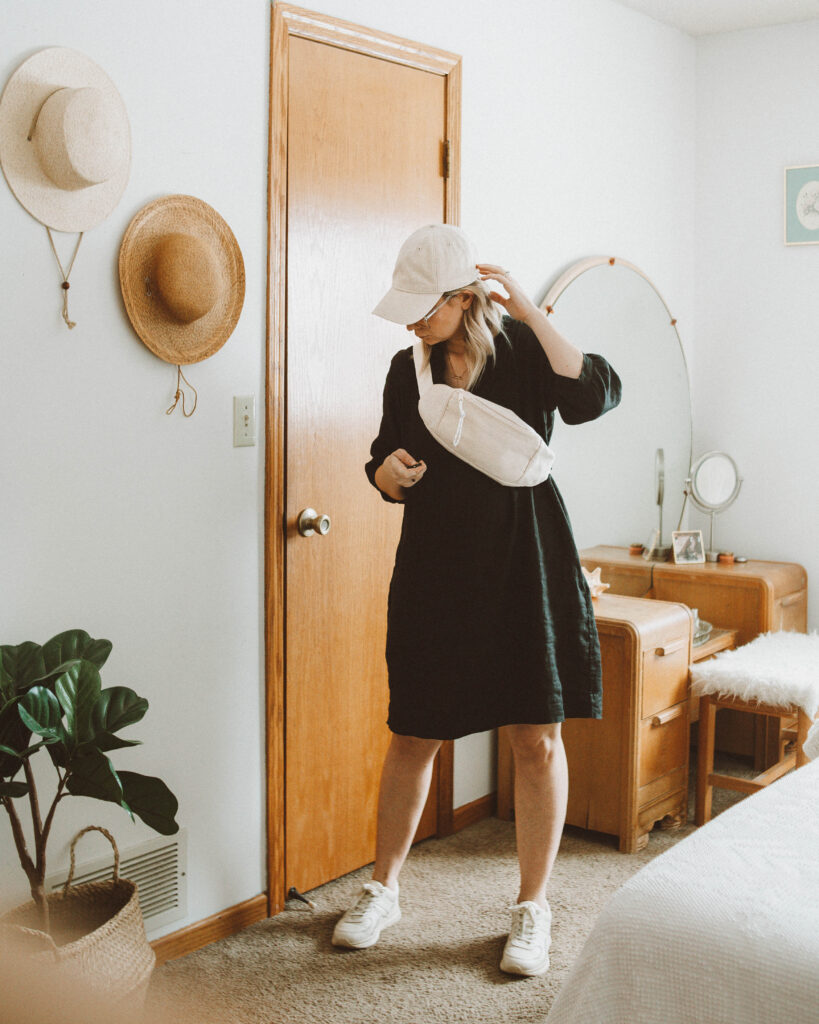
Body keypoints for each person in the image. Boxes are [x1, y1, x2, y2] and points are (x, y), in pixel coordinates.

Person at [332, 224, 622, 976]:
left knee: (535, 739)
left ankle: (532, 909)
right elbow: (383, 456)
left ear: (464, 299)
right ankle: (382, 888)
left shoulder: (524, 354)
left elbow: (590, 392)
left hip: (527, 561)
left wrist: (526, 307)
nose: (409, 320)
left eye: (422, 307)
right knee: (414, 732)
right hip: (437, 567)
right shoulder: (408, 370)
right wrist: (386, 473)